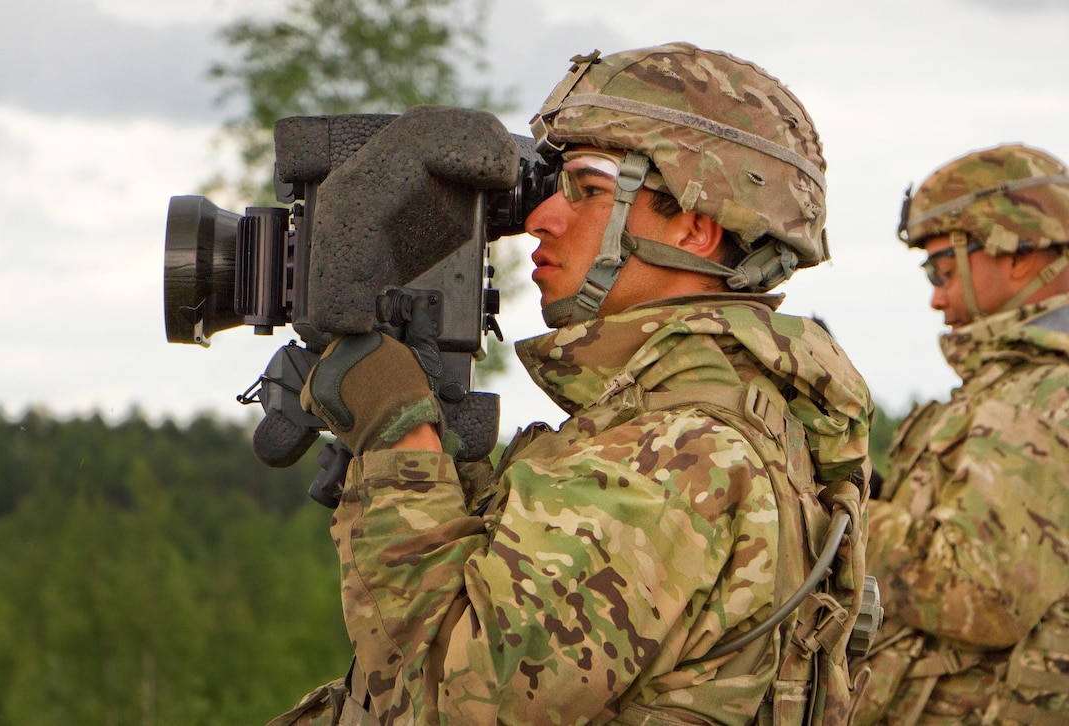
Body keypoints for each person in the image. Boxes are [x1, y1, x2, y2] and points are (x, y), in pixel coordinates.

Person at [274, 42, 875, 725]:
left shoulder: (679, 454)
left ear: (697, 227)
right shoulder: (723, 421)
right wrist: (448, 463)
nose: (539, 219)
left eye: (586, 191)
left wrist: (400, 441)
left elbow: (447, 701)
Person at [852, 143, 1069, 725]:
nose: (935, 295)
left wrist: (846, 512)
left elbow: (980, 595)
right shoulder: (1020, 385)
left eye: (943, 269)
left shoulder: (1045, 396)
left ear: (1018, 253)